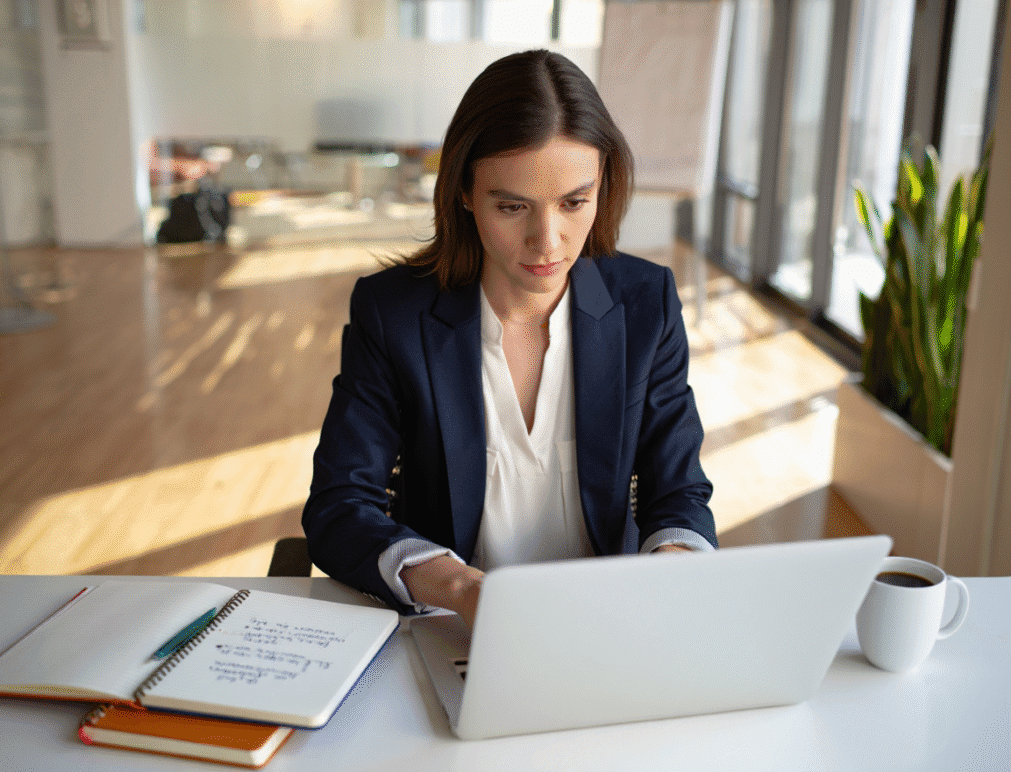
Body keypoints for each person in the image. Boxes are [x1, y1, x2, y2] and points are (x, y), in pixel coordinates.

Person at [302, 49, 716, 628]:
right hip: (450, 623)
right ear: (465, 193)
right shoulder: (392, 313)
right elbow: (340, 506)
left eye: (575, 202)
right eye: (512, 206)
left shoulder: (646, 304)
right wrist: (461, 589)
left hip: (611, 622)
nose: (548, 242)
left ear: (604, 186)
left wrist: (671, 569)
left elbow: (679, 492)